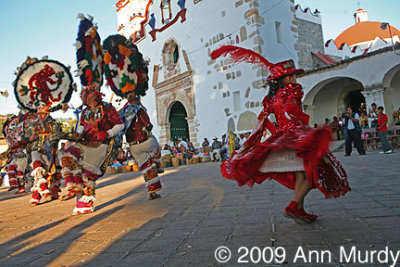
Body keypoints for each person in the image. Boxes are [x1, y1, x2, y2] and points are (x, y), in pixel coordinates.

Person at [211, 45, 350, 224]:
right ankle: (294, 206)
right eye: (291, 75)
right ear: (285, 78)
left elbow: (264, 119)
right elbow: (292, 110)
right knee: (310, 173)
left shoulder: (272, 98)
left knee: (302, 173)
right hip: (296, 136)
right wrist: (302, 124)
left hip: (284, 136)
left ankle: (298, 208)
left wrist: (258, 140)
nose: (294, 78)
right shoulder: (291, 90)